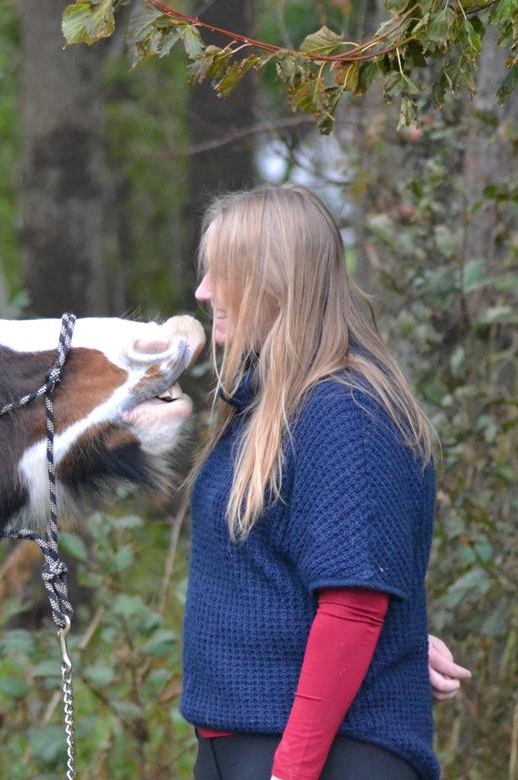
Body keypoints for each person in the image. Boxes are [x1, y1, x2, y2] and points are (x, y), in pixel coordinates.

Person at [182, 185, 470, 780]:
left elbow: (355, 605)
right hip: (245, 749)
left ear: (273, 280)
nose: (203, 292)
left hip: (319, 758)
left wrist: (292, 770)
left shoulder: (344, 411)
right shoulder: (269, 408)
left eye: (221, 273)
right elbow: (298, 577)